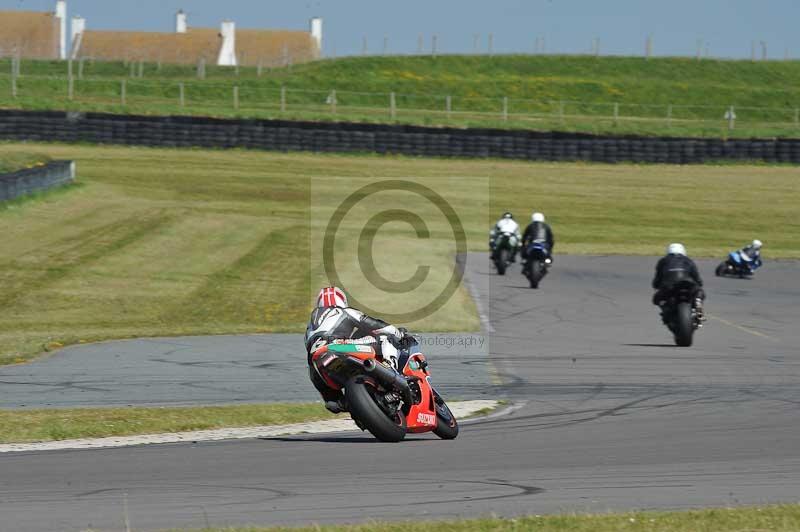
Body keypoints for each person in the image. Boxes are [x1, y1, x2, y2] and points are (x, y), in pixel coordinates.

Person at [305, 286, 408, 413]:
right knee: (386, 337)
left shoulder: (309, 329)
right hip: (338, 346)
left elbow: (311, 361)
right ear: (342, 301)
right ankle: (390, 367)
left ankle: (344, 403)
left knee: (334, 403)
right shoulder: (342, 311)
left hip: (319, 368)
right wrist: (399, 333)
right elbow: (372, 324)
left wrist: (329, 397)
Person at [651, 243, 706, 319]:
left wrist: (655, 285)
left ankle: (666, 312)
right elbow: (696, 275)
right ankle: (698, 304)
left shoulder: (663, 261)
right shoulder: (688, 260)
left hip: (669, 285)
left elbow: (658, 277)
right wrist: (699, 283)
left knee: (656, 299)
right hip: (688, 283)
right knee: (699, 291)